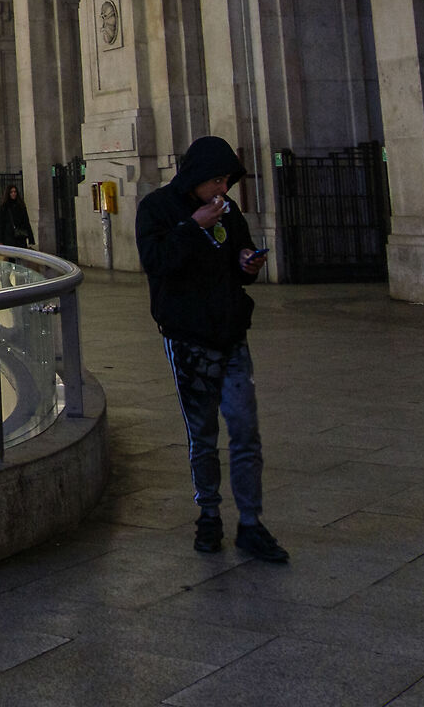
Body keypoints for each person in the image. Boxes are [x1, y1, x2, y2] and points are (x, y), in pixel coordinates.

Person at [137, 136, 287, 564]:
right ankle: (209, 516)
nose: (222, 190)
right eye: (215, 181)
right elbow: (156, 261)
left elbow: (236, 261)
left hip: (231, 333)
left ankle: (252, 523)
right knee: (202, 435)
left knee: (245, 430)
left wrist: (246, 264)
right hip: (188, 340)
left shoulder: (228, 211)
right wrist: (193, 226)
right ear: (195, 178)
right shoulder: (158, 208)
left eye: (226, 181)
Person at [0, 183, 35, 250]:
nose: (13, 194)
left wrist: (31, 238)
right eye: (11, 192)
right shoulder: (4, 206)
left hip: (20, 236)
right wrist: (0, 240)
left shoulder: (21, 205)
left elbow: (26, 221)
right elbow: (0, 224)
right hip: (9, 236)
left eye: (15, 192)